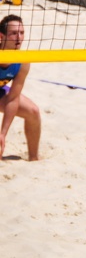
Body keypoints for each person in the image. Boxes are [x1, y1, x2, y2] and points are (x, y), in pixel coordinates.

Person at [0, 14, 42, 161]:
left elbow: (13, 99)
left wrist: (3, 134)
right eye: (13, 33)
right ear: (2, 36)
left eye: (22, 33)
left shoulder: (23, 61)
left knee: (33, 112)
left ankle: (34, 157)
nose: (19, 37)